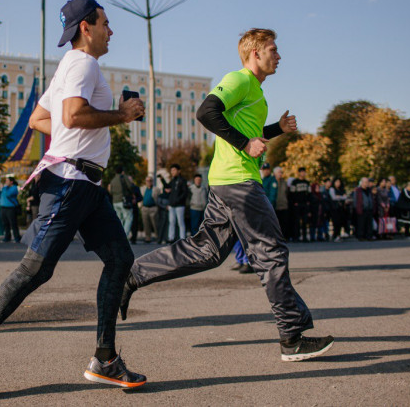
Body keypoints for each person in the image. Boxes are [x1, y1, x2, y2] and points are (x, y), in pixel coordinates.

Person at [0, 0, 146, 400]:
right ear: (87, 28)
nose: (112, 31)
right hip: (70, 182)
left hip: (87, 184)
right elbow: (72, 116)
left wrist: (81, 129)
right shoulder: (83, 63)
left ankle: (105, 360)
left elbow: (44, 119)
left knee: (120, 259)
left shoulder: (68, 69)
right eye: (106, 23)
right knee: (35, 270)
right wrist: (122, 115)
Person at [119, 28, 333, 362]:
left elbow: (250, 131)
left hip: (227, 181)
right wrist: (246, 144)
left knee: (208, 250)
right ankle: (291, 337)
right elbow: (206, 112)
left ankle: (132, 274)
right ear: (255, 53)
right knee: (270, 252)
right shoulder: (240, 79)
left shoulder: (256, 93)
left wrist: (276, 129)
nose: (279, 56)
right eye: (273, 50)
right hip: (238, 183)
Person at [165, 164, 188, 241]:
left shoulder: (182, 180)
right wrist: (162, 179)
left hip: (180, 205)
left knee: (180, 222)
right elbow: (167, 187)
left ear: (179, 171)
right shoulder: (173, 181)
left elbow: (185, 193)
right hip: (172, 205)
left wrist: (177, 200)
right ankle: (171, 238)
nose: (172, 172)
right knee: (171, 222)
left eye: (174, 170)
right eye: (171, 170)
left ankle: (182, 238)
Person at [109, 165, 133, 236]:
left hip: (115, 202)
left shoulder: (113, 180)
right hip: (123, 201)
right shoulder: (123, 177)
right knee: (129, 217)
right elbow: (130, 186)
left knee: (119, 219)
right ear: (122, 171)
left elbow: (111, 191)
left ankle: (119, 235)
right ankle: (124, 235)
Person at [288, 167, 310, 242]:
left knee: (305, 221)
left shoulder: (307, 183)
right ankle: (296, 237)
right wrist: (294, 202)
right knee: (296, 221)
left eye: (304, 172)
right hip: (297, 204)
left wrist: (308, 201)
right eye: (302, 172)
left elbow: (309, 193)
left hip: (304, 204)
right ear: (299, 173)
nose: (303, 173)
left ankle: (304, 237)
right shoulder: (295, 182)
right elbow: (292, 193)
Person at [0, 176, 20, 243]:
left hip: (11, 208)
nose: (6, 182)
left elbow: (8, 194)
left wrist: (3, 188)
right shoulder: (5, 188)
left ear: (11, 182)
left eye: (7, 181)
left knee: (13, 223)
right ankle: (7, 237)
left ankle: (17, 237)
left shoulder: (14, 188)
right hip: (3, 207)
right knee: (5, 223)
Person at [273, 166, 291, 241]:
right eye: (279, 172)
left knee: (284, 223)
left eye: (281, 172)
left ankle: (284, 237)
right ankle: (277, 238)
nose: (280, 174)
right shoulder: (272, 182)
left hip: (284, 206)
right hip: (275, 206)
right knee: (276, 223)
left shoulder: (284, 182)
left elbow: (287, 193)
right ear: (275, 173)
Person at [140, 176, 160, 243]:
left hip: (153, 208)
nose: (149, 182)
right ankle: (148, 238)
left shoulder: (156, 189)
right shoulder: (143, 189)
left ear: (152, 181)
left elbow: (158, 198)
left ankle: (158, 237)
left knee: (155, 224)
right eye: (147, 181)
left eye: (150, 181)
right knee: (146, 224)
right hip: (145, 208)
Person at [128, 175, 142, 244]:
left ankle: (134, 238)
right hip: (128, 207)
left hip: (134, 207)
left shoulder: (136, 188)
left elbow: (140, 197)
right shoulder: (126, 188)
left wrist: (136, 200)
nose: (129, 181)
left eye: (130, 179)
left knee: (135, 223)